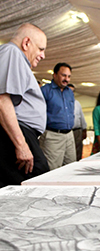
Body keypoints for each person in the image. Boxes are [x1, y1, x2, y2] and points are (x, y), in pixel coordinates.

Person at [0, 23, 49, 187]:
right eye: (41, 49)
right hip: (16, 132)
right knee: (37, 182)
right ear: (26, 43)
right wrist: (21, 145)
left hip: (21, 132)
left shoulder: (17, 59)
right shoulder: (11, 52)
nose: (43, 55)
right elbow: (2, 101)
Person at [39, 63, 76, 170]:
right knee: (52, 170)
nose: (67, 79)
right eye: (63, 75)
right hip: (53, 136)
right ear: (54, 75)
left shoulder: (69, 92)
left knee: (71, 167)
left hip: (69, 135)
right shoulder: (45, 91)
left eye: (69, 76)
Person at [68, 83, 87, 161]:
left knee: (78, 152)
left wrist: (84, 129)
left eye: (73, 91)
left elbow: (81, 117)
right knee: (68, 154)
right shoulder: (61, 102)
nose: (71, 93)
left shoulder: (77, 103)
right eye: (69, 90)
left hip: (77, 131)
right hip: (67, 132)